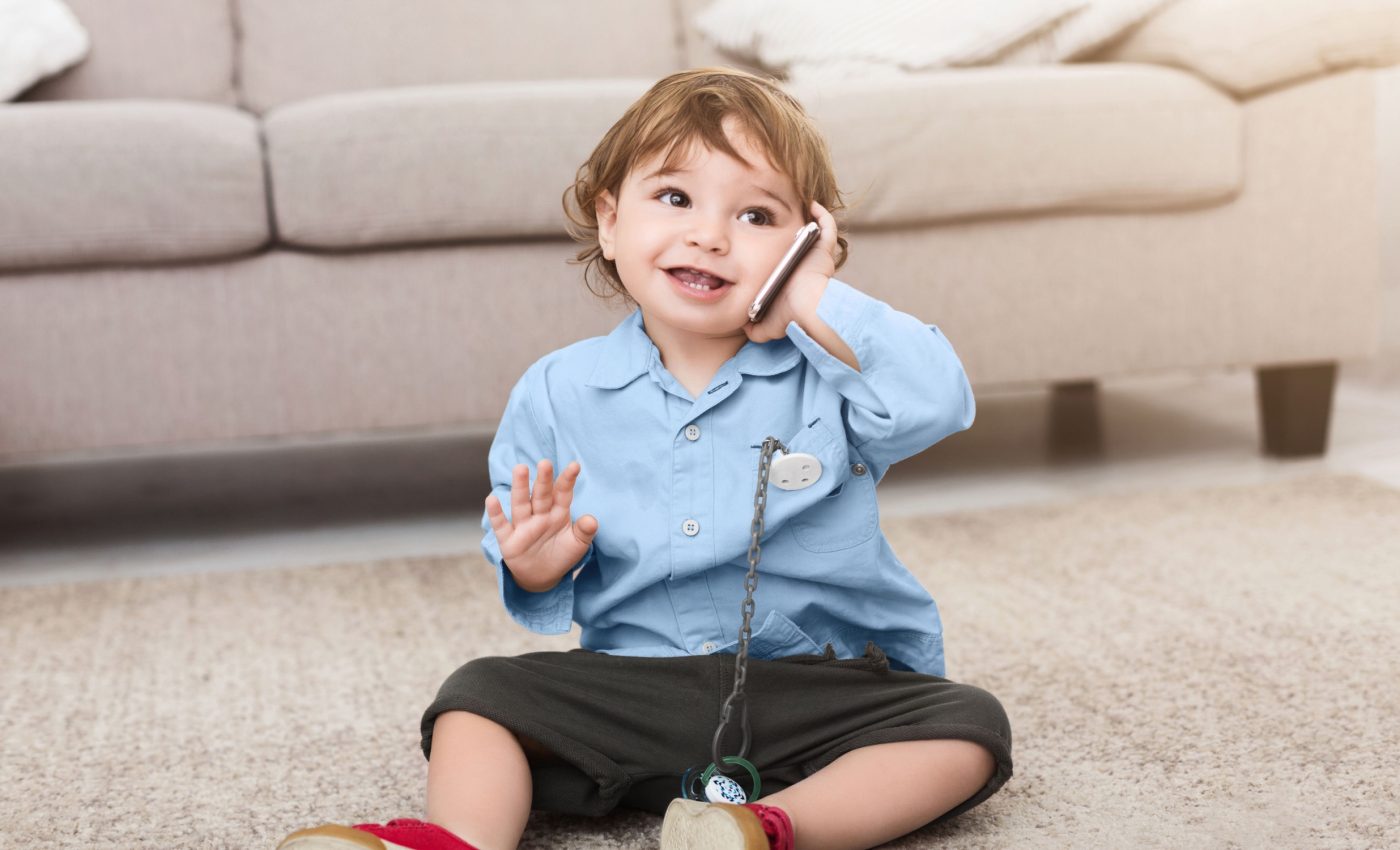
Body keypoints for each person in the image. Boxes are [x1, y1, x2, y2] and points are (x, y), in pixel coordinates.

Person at [278, 66, 1012, 850]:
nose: (709, 235)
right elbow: (520, 545)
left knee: (968, 724)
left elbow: (938, 400)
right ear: (609, 222)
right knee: (476, 697)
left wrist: (813, 299)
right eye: (674, 197)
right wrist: (538, 567)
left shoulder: (832, 375)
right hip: (637, 693)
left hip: (814, 691)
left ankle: (766, 829)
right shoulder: (557, 390)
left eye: (756, 215)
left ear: (806, 244)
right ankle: (455, 842)